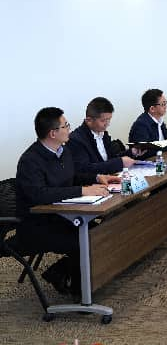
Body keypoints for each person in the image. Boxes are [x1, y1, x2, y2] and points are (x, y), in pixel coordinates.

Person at [15, 107, 117, 295]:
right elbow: (40, 195)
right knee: (84, 240)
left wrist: (97, 178)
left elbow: (73, 176)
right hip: (38, 224)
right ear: (53, 133)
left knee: (102, 232)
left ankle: (60, 272)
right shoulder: (30, 161)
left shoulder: (63, 151)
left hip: (63, 216)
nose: (69, 129)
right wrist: (82, 190)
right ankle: (79, 292)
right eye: (66, 126)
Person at [66, 97, 136, 175]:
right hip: (94, 181)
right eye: (103, 121)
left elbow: (111, 158)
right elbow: (85, 169)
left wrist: (131, 152)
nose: (107, 124)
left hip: (110, 177)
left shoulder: (103, 134)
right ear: (89, 120)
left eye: (109, 119)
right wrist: (119, 162)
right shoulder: (75, 140)